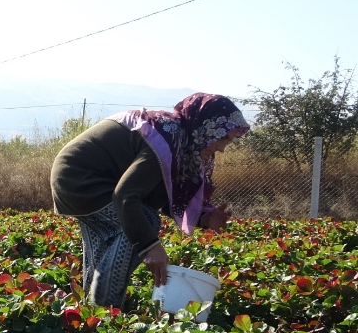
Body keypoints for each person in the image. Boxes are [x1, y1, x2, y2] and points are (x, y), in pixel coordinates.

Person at [50, 92, 250, 310]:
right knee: (145, 221)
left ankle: (89, 313)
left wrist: (205, 218)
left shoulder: (181, 141)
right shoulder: (167, 138)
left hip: (74, 181)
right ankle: (105, 313)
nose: (221, 148)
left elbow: (161, 195)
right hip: (82, 179)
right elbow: (125, 196)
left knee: (109, 240)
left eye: (228, 142)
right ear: (207, 127)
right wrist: (150, 246)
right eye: (222, 138)